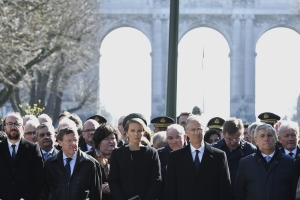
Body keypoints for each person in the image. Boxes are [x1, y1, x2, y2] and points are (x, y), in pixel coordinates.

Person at [164, 115, 230, 200]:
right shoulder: (175, 157)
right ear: (187, 132)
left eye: (199, 129)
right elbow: (170, 189)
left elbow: (224, 188)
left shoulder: (219, 156)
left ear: (205, 131)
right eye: (193, 130)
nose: (197, 132)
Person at [235, 123, 298, 200]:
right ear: (256, 141)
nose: (266, 139)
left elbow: (294, 192)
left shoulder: (290, 163)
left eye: (270, 135)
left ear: (276, 139)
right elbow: (239, 193)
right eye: (262, 136)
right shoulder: (245, 163)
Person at [109, 118, 162, 200]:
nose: (136, 134)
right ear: (127, 132)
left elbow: (156, 180)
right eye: (132, 130)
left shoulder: (151, 153)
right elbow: (113, 181)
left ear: (143, 132)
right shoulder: (118, 153)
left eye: (139, 130)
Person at [44, 126, 101, 200]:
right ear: (60, 142)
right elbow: (45, 192)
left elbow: (96, 194)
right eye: (69, 140)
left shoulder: (90, 164)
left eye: (75, 140)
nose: (73, 143)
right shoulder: (50, 164)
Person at [0, 112, 44, 199]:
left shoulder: (33, 149)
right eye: (10, 124)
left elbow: (39, 179)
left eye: (17, 124)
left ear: (22, 128)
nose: (13, 127)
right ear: (5, 128)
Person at [212, 117, 256, 200]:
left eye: (237, 139)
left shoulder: (251, 150)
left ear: (242, 135)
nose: (232, 143)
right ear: (223, 134)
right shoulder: (213, 150)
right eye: (229, 139)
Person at [87, 123, 119, 200]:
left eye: (113, 138)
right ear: (98, 142)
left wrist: (113, 187)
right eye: (107, 139)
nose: (111, 141)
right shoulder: (89, 158)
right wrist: (99, 187)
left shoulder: (122, 157)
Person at [157, 124, 185, 200]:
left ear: (185, 137)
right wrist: (168, 168)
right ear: (166, 139)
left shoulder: (192, 152)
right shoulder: (158, 154)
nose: (174, 141)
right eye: (170, 138)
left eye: (178, 137)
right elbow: (155, 178)